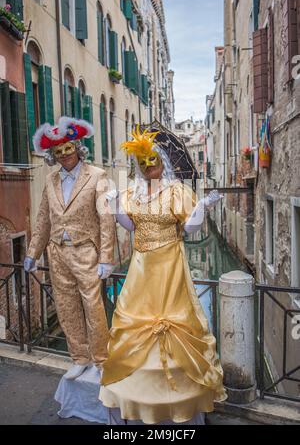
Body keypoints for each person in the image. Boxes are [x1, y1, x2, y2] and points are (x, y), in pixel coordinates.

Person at [100, 126, 227, 425]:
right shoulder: (132, 192)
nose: (148, 168)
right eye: (143, 164)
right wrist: (116, 203)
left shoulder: (177, 191)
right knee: (134, 314)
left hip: (170, 263)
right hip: (141, 265)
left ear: (162, 163)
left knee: (174, 314)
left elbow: (192, 228)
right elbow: (129, 227)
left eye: (153, 163)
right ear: (138, 166)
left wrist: (201, 208)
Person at [24, 117, 115, 380]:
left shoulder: (97, 175)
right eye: (58, 151)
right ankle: (80, 357)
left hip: (86, 251)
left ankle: (101, 359)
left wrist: (106, 257)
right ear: (52, 155)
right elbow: (42, 219)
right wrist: (32, 253)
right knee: (66, 306)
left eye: (68, 149)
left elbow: (106, 218)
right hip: (57, 252)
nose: (64, 155)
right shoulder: (50, 181)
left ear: (77, 148)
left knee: (93, 306)